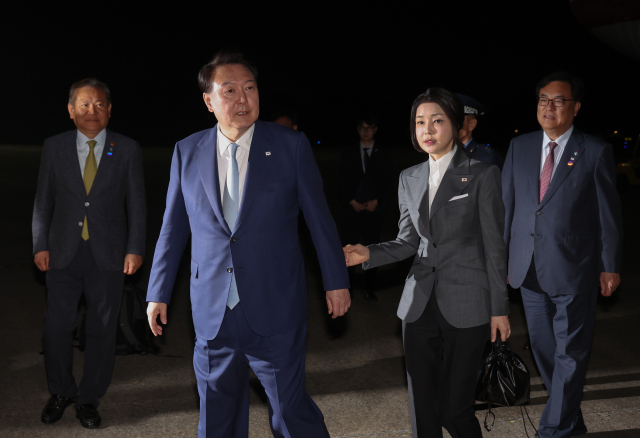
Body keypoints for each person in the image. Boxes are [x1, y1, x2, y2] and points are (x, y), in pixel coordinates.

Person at [145, 51, 350, 438]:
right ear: (209, 101)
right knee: (216, 417)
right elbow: (172, 228)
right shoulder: (187, 151)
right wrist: (158, 292)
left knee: (291, 413)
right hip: (213, 311)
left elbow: (319, 220)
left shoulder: (290, 145)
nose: (243, 98)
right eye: (230, 90)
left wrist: (336, 281)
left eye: (250, 88)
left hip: (275, 306)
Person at [344, 88, 510, 438]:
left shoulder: (482, 174)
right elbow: (408, 241)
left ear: (456, 125)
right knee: (423, 408)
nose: (428, 130)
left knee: (454, 409)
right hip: (418, 304)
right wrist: (368, 253)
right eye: (420, 122)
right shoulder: (410, 177)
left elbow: (495, 248)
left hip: (469, 303)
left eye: (437, 121)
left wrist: (499, 309)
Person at [502, 72, 622, 437]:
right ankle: (570, 420)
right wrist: (502, 259)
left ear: (576, 107)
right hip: (527, 269)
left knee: (570, 353)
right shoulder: (520, 147)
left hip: (574, 269)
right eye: (543, 100)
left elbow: (608, 215)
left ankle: (553, 429)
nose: (549, 107)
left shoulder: (594, 151)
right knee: (544, 349)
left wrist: (609, 265)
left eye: (558, 101)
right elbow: (507, 208)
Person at [32, 78, 146, 429]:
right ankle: (61, 391)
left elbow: (137, 204)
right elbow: (43, 201)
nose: (91, 110)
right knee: (56, 328)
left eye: (99, 104)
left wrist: (135, 248)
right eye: (84, 104)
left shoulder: (126, 148)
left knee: (101, 329)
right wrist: (40, 244)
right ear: (71, 110)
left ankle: (88, 398)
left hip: (108, 255)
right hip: (62, 253)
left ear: (109, 110)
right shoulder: (55, 146)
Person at [338, 114, 394, 300]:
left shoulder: (384, 153)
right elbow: (341, 180)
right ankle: (348, 287)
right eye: (362, 128)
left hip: (373, 211)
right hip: (352, 210)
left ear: (375, 129)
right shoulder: (349, 152)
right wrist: (351, 201)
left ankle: (370, 289)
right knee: (349, 249)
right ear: (357, 130)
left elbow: (389, 181)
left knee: (372, 250)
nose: (366, 131)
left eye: (369, 128)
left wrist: (377, 201)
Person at [456, 93, 504, 170]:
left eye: (457, 119)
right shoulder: (440, 155)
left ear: (471, 124)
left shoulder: (487, 159)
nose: (451, 124)